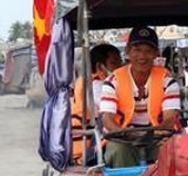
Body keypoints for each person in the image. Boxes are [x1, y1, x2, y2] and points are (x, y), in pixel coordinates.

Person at [99, 26, 181, 168]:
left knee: (173, 150)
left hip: (156, 138)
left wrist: (160, 133)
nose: (142, 56)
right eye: (137, 50)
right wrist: (122, 134)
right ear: (127, 52)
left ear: (156, 54)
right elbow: (107, 119)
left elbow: (169, 119)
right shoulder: (112, 81)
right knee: (118, 150)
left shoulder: (168, 82)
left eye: (148, 51)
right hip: (123, 140)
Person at [71, 43, 123, 164]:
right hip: (90, 148)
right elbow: (116, 111)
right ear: (100, 67)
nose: (120, 67)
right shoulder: (95, 86)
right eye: (115, 63)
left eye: (121, 62)